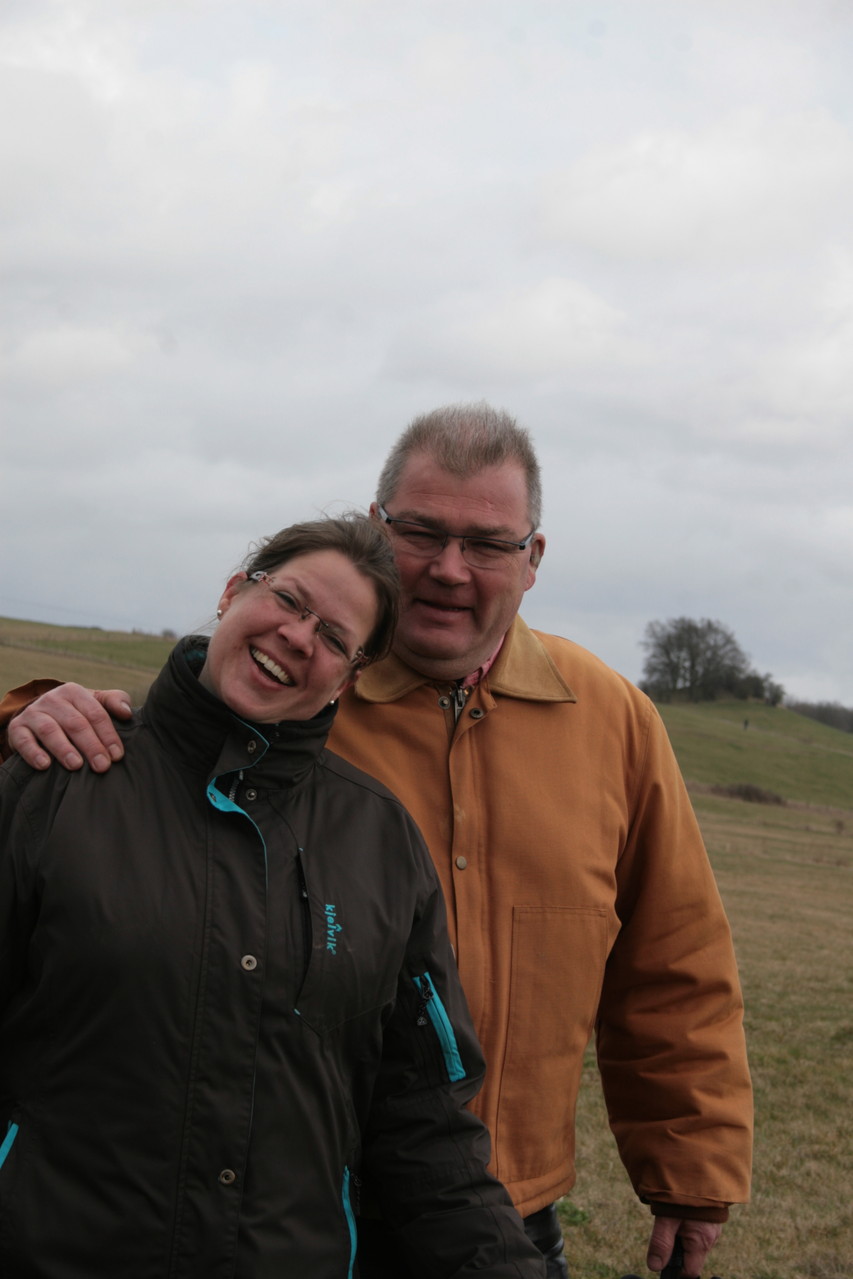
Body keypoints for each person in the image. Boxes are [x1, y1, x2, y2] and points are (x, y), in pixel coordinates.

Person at [1, 405, 753, 1279]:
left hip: (488, 1208)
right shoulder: (283, 701)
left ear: (533, 559)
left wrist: (690, 1171)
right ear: (374, 524)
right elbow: (141, 765)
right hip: (290, 1207)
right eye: (422, 531)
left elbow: (673, 959)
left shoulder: (615, 721)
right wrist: (27, 715)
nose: (448, 569)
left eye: (486, 543)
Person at [0, 512, 546, 1279]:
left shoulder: (382, 843)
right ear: (232, 592)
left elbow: (423, 1127)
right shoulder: (60, 777)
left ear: (349, 679)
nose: (298, 636)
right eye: (289, 600)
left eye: (332, 636)